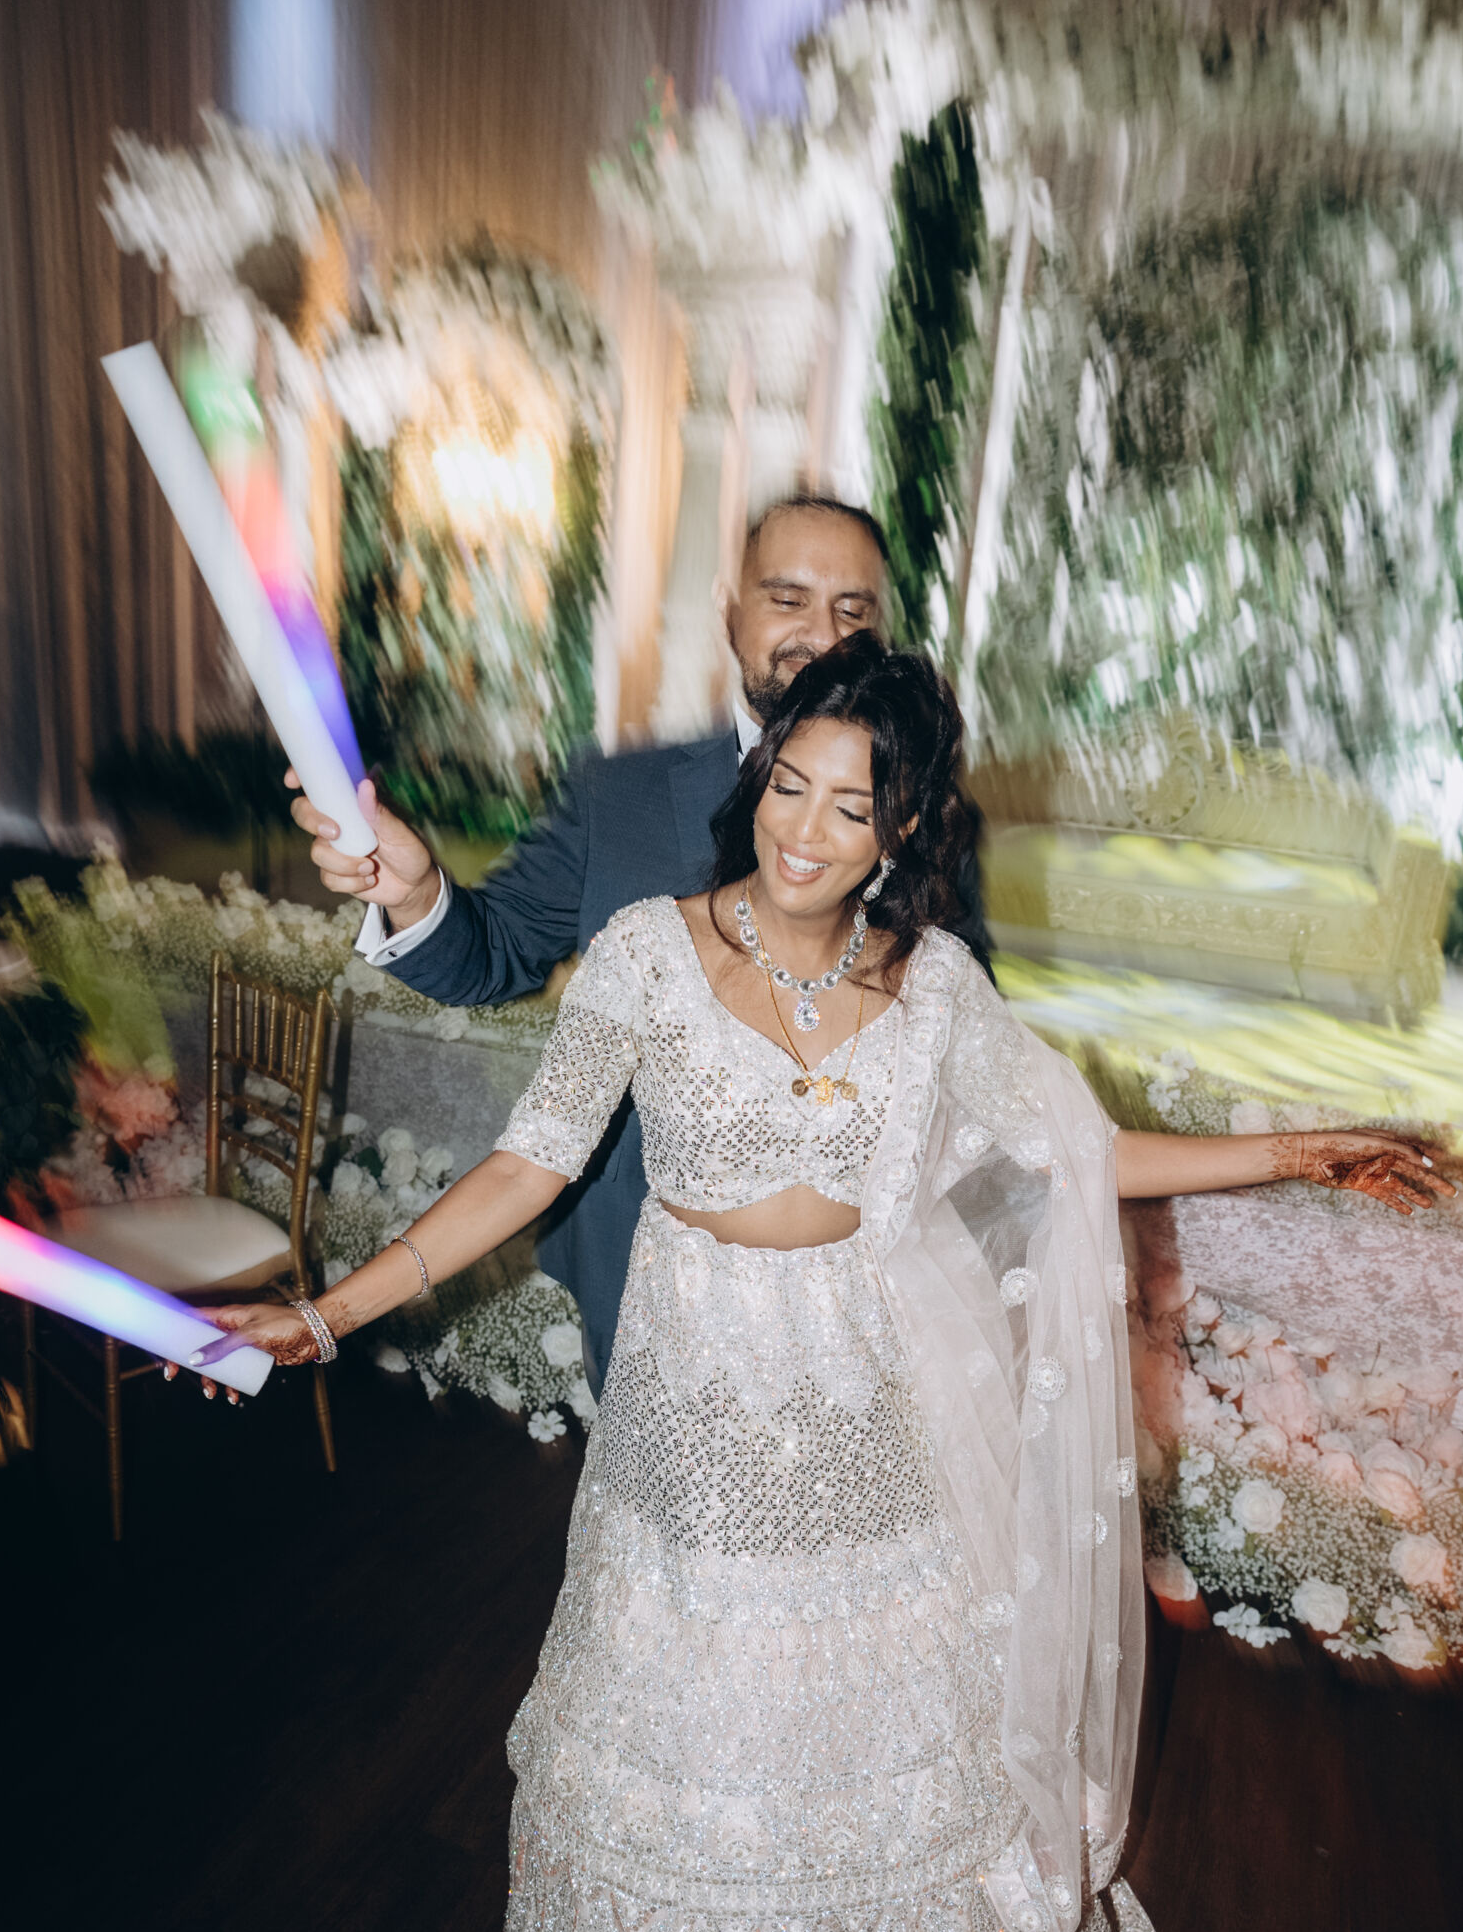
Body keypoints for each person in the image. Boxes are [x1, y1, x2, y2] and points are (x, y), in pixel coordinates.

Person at [210, 635, 1449, 1932]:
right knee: (696, 1751)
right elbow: (529, 1161)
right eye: (788, 782)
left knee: (890, 1751)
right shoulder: (650, 953)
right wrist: (337, 1308)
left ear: (901, 827)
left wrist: (1298, 1149)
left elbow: (1062, 1161)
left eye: (849, 804)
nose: (803, 827)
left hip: (866, 1418)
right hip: (697, 1421)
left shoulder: (931, 988)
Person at [289, 493, 986, 1381]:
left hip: (857, 1306)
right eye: (788, 598)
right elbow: (494, 956)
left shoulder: (929, 820)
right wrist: (419, 893)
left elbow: (965, 1059)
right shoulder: (617, 794)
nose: (822, 634)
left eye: (852, 610)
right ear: (727, 606)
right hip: (638, 1269)